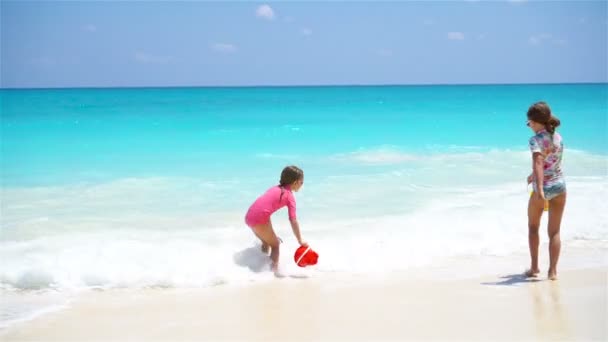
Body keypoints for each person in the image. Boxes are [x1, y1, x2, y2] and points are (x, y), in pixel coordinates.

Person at [525, 102, 566, 281]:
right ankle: (553, 272)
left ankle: (534, 268)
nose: (529, 126)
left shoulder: (535, 140)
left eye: (530, 122)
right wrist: (533, 175)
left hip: (544, 188)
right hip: (560, 186)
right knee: (555, 232)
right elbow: (552, 161)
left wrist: (540, 186)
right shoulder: (557, 137)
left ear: (536, 122)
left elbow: (539, 163)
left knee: (533, 227)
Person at [245, 165, 307, 272]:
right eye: (302, 182)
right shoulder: (289, 196)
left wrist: (270, 233)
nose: (302, 185)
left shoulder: (275, 188)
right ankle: (272, 273)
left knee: (267, 242)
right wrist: (300, 240)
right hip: (260, 219)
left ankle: (259, 269)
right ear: (296, 182)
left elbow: (263, 208)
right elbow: (293, 220)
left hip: (249, 217)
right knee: (275, 245)